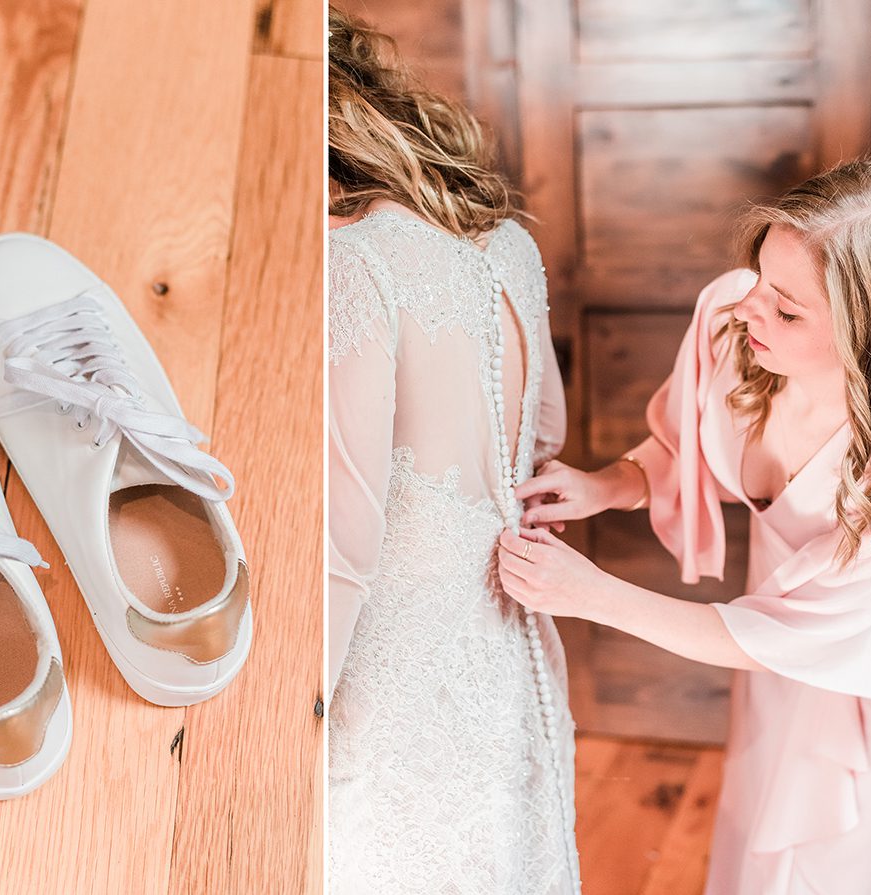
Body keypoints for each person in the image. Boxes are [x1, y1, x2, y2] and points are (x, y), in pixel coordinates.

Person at [501, 155, 871, 894]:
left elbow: (773, 640)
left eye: (788, 309)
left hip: (870, 676)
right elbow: (680, 442)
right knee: (749, 819)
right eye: (761, 277)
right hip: (770, 636)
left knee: (829, 863)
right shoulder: (738, 327)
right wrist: (605, 486)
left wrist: (591, 593)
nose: (751, 308)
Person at [327, 7, 579, 893]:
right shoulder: (510, 245)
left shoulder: (355, 259)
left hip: (393, 655)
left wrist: (299, 705)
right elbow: (544, 436)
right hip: (504, 630)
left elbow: (346, 532)